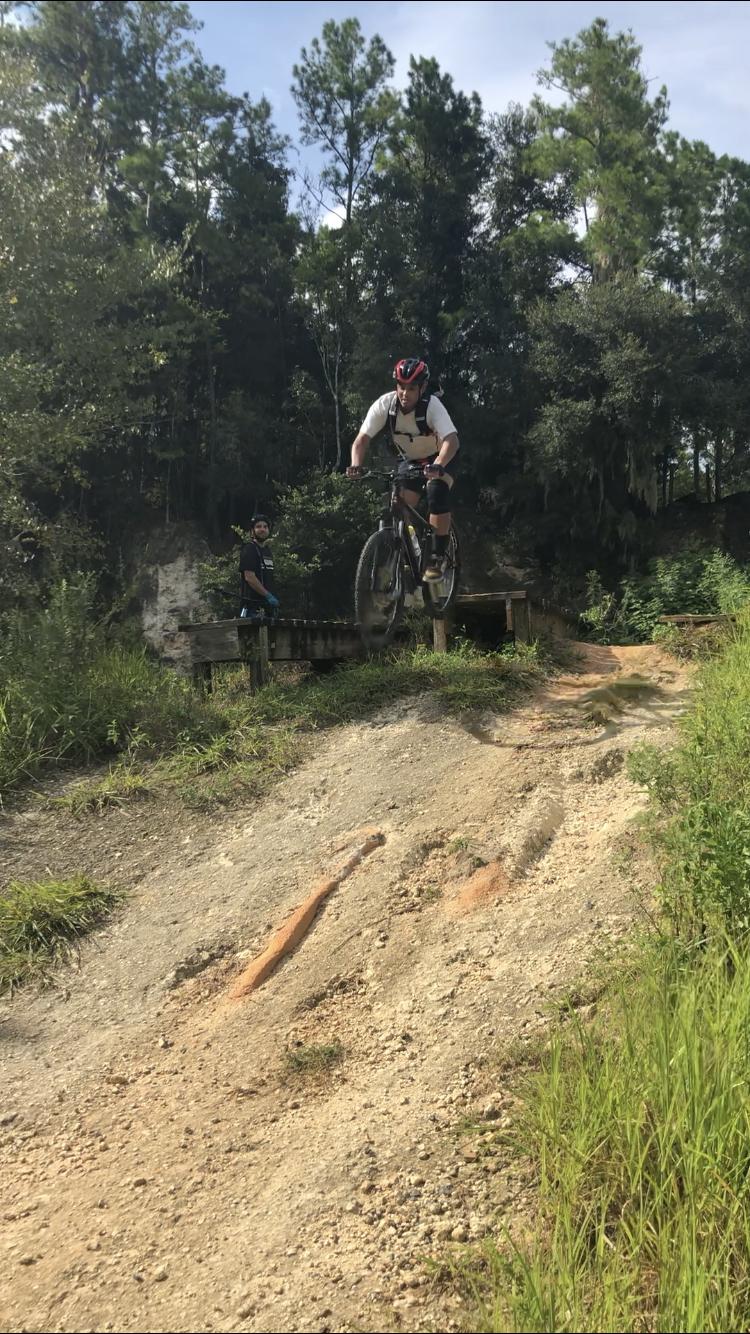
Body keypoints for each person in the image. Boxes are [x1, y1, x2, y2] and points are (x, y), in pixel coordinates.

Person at [346, 357, 459, 580]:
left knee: (436, 492)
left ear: (422, 388)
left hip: (441, 458)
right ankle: (410, 548)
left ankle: (438, 556)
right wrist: (356, 465)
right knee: (398, 502)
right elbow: (361, 441)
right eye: (401, 387)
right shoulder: (385, 405)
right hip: (411, 460)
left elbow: (451, 441)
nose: (404, 393)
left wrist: (438, 465)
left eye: (411, 388)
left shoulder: (432, 406)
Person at [238, 514, 280, 620]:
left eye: (265, 527)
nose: (262, 529)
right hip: (253, 608)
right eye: (258, 526)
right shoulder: (249, 549)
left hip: (268, 607)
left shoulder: (267, 551)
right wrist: (268, 595)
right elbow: (249, 577)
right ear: (252, 531)